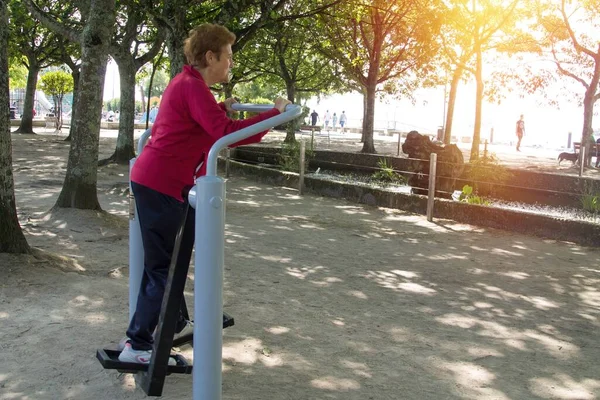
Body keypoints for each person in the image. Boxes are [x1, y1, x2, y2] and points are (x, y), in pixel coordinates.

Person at [118, 23, 291, 364]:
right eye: (227, 57)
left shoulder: (189, 85)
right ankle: (137, 343)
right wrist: (276, 114)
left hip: (161, 181)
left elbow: (205, 125)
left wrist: (222, 107)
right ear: (210, 56)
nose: (231, 64)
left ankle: (174, 320)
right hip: (160, 183)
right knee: (162, 269)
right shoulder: (192, 88)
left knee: (167, 262)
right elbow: (224, 134)